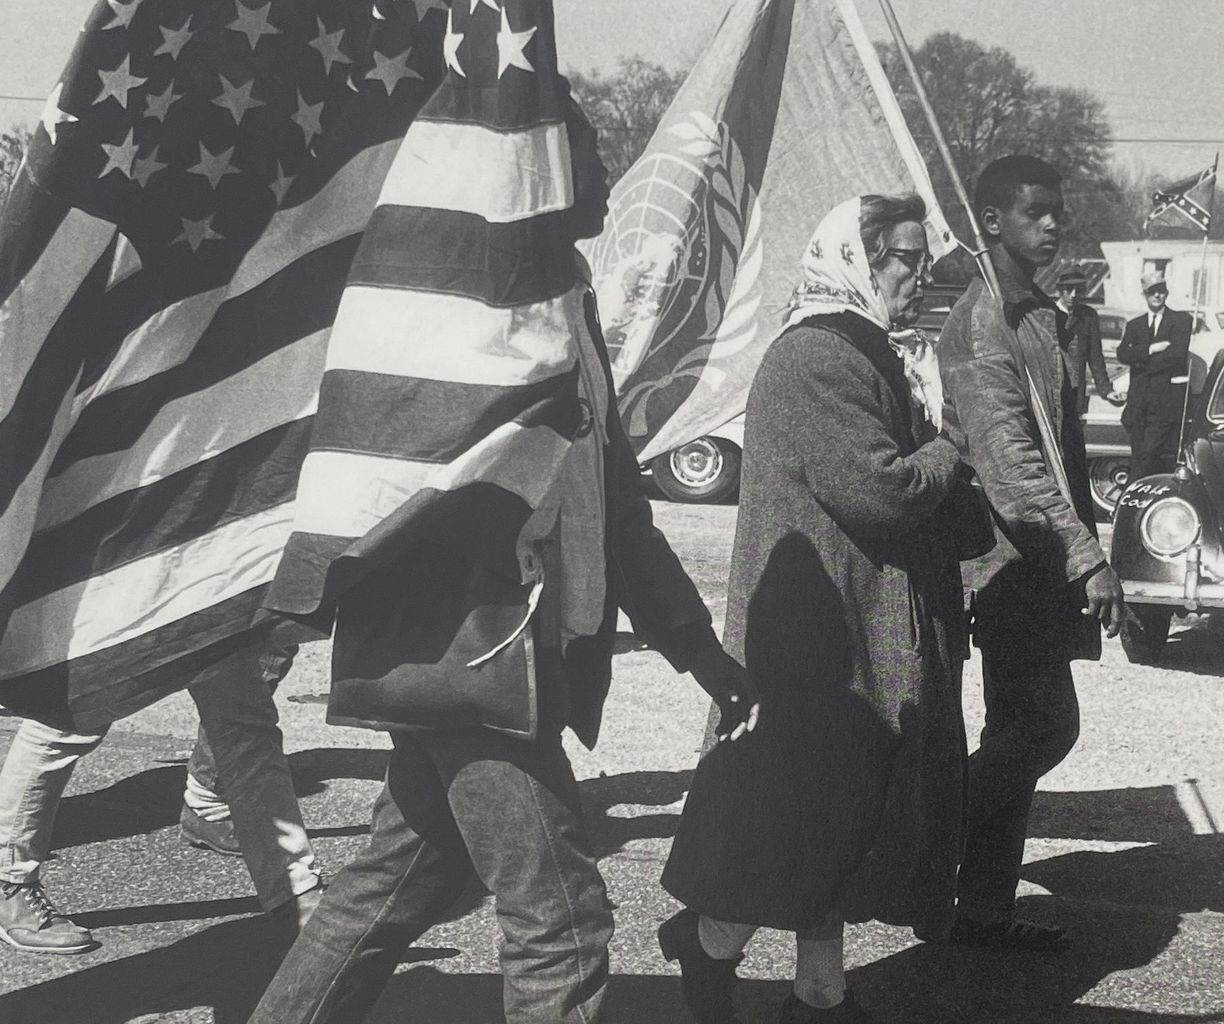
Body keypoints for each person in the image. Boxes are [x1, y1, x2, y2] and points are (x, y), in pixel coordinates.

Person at [248, 88, 757, 1024]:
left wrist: (699, 653)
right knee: (561, 922)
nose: (609, 168)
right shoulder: (466, 309)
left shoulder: (567, 299)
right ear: (533, 174)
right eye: (586, 152)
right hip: (470, 658)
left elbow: (615, 512)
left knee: (391, 889)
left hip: (505, 667)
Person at [659, 194, 972, 1024]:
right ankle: (713, 940)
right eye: (903, 260)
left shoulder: (865, 353)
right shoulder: (817, 359)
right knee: (812, 818)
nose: (919, 277)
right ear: (856, 260)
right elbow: (881, 490)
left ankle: (818, 990)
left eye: (922, 262)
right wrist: (950, 445)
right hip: (819, 636)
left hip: (853, 624)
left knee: (829, 818)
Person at [933, 154, 1126, 948]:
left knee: (1016, 728)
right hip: (1012, 560)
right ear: (992, 222)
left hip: (1041, 555)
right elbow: (1013, 472)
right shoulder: (981, 327)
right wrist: (1088, 559)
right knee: (1045, 729)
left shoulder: (1041, 314)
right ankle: (917, 833)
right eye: (1034, 214)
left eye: (1058, 214)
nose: (1052, 227)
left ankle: (982, 909)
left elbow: (1061, 450)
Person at [0, 639, 322, 954]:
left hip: (215, 594)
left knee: (245, 721)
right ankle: (7, 878)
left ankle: (293, 892)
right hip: (140, 593)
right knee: (74, 715)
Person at [1116, 269, 1194, 481]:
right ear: (1145, 295)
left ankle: (1126, 500)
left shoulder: (1181, 321)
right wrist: (1150, 349)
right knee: (1141, 458)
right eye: (1152, 292)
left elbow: (1176, 356)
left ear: (1167, 293)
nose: (1157, 296)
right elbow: (1122, 353)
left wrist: (1139, 361)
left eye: (1161, 291)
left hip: (1164, 407)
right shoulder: (1135, 325)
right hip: (1137, 407)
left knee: (1145, 459)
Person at [1051, 265, 1122, 414]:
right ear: (1060, 290)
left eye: (1079, 289)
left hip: (1076, 393)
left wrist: (1107, 390)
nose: (1073, 295)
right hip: (1051, 391)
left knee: (1075, 435)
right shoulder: (1047, 313)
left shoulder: (1088, 316)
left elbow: (1095, 358)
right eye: (1069, 289)